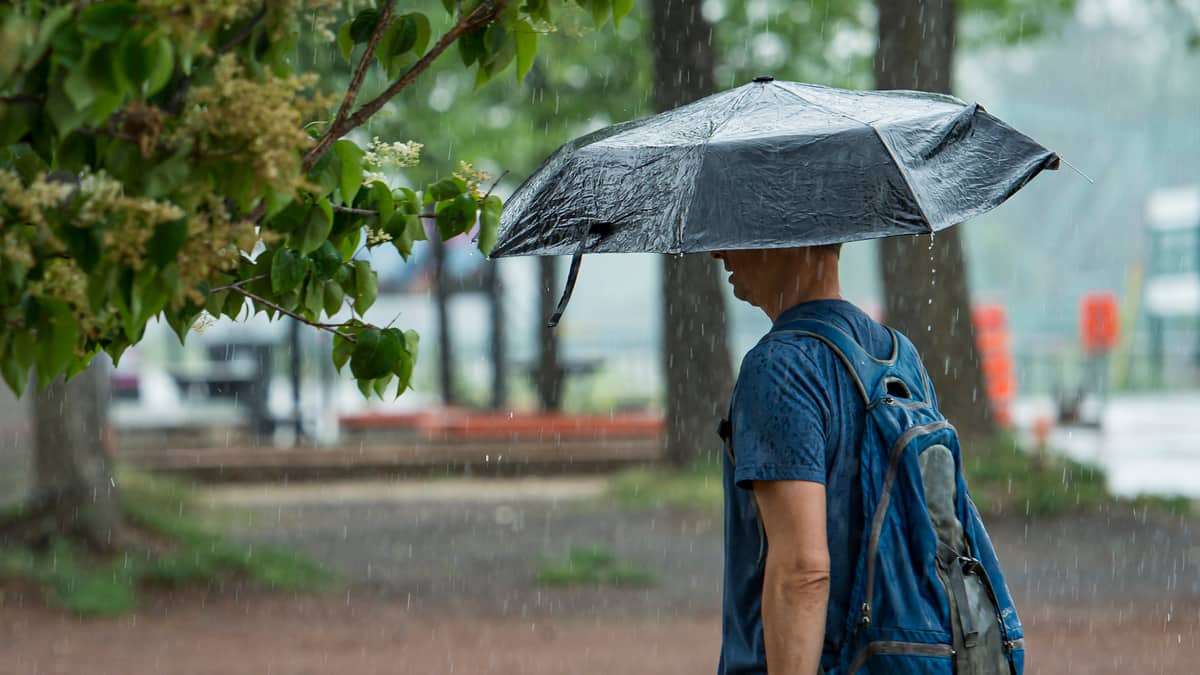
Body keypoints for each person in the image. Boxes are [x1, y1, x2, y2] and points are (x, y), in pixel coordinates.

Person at [713, 244, 905, 674]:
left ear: (789, 233)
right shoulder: (899, 357)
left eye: (737, 223)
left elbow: (803, 572)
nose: (717, 252)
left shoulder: (780, 368)